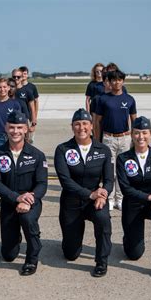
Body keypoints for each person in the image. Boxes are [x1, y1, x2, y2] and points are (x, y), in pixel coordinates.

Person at [0, 111, 48, 276]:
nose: (15, 131)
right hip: (9, 202)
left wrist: (28, 199)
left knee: (28, 219)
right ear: (6, 128)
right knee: (8, 255)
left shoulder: (37, 155)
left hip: (31, 201)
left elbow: (42, 184)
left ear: (26, 129)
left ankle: (32, 255)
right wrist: (16, 198)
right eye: (12, 127)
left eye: (20, 127)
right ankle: (16, 238)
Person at [54, 109, 113, 277]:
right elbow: (65, 181)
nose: (81, 128)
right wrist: (90, 194)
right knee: (70, 254)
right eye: (77, 124)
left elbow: (109, 179)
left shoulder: (103, 150)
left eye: (85, 123)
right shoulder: (63, 149)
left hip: (95, 202)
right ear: (72, 127)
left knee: (103, 219)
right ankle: (71, 243)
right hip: (71, 202)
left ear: (92, 126)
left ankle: (101, 261)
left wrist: (103, 193)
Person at [116, 116, 151, 280]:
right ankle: (129, 238)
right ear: (132, 135)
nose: (141, 137)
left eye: (144, 133)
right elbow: (126, 189)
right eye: (137, 133)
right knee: (134, 253)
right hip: (132, 204)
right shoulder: (123, 158)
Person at [94, 69, 137, 210]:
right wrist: (98, 139)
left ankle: (121, 198)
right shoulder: (103, 99)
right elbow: (97, 121)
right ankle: (110, 198)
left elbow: (134, 120)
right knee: (110, 170)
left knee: (122, 170)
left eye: (119, 80)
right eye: (113, 80)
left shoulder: (129, 99)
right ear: (109, 82)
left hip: (124, 137)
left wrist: (134, 138)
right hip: (108, 138)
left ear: (123, 81)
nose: (116, 82)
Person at [0, 78, 24, 152]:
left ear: (9, 88)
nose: (2, 89)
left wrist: (22, 140)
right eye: (0, 87)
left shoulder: (15, 104)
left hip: (13, 136)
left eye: (4, 87)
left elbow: (20, 124)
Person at [12, 68, 36, 143]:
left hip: (25, 120)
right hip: (12, 121)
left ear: (22, 77)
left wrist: (33, 123)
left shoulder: (27, 91)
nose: (16, 78)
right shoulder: (9, 91)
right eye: (14, 77)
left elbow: (32, 108)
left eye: (18, 77)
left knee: (26, 141)